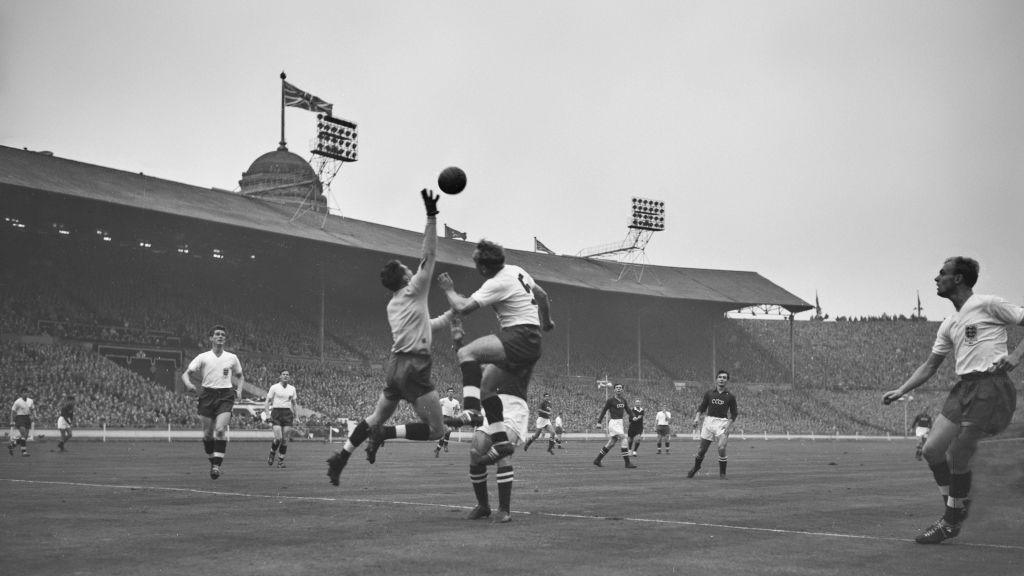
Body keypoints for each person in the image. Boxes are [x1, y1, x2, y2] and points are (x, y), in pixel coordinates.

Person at [883, 256, 1024, 545]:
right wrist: (901, 389)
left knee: (959, 452)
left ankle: (950, 522)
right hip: (963, 388)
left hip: (991, 385)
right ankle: (957, 506)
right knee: (933, 450)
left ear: (958, 278)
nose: (937, 278)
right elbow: (930, 365)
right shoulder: (950, 323)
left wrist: (1015, 355)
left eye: (942, 273)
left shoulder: (987, 304)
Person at [326, 190, 457, 485]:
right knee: (437, 430)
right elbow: (430, 254)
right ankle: (385, 434)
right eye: (408, 269)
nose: (413, 269)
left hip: (395, 365)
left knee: (375, 415)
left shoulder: (394, 304)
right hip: (414, 366)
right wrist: (432, 217)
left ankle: (341, 457)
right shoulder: (414, 289)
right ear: (403, 277)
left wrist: (451, 316)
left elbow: (426, 325)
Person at [436, 239, 554, 523]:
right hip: (529, 338)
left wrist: (448, 289)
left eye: (477, 263)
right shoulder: (517, 270)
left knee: (467, 353)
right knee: (486, 384)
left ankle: (472, 411)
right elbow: (543, 294)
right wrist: (547, 321)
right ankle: (486, 497)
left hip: (521, 336)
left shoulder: (497, 281)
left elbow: (463, 307)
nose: (475, 267)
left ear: (484, 265)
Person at [181, 325, 245, 480]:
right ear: (211, 338)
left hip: (225, 395)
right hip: (207, 395)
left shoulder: (232, 357)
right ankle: (213, 461)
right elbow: (185, 374)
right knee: (208, 434)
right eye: (217, 334)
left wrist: (240, 390)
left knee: (221, 429)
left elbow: (240, 376)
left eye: (223, 334)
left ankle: (216, 465)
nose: (220, 336)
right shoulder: (203, 357)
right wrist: (189, 384)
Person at [687, 370, 738, 479]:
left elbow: (734, 413)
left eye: (724, 377)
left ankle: (722, 474)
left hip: (722, 423)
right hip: (708, 422)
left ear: (727, 381)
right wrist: (697, 418)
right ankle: (696, 467)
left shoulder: (730, 396)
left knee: (721, 447)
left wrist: (728, 424)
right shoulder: (709, 393)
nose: (722, 379)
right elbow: (702, 407)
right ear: (716, 379)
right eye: (720, 377)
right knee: (702, 450)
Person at [593, 383, 637, 469]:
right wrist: (599, 422)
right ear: (614, 390)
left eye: (620, 388)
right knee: (624, 438)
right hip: (614, 423)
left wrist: (633, 416)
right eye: (617, 388)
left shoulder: (623, 400)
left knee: (611, 443)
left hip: (620, 423)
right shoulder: (610, 400)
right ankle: (627, 463)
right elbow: (604, 410)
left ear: (622, 390)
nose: (619, 389)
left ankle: (597, 460)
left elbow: (628, 410)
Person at [264, 369, 298, 468]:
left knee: (285, 439)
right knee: (278, 438)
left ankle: (280, 462)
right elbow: (267, 402)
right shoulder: (274, 387)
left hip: (287, 414)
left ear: (289, 377)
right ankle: (272, 453)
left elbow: (294, 404)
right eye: (283, 374)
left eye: (287, 374)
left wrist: (296, 416)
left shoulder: (292, 388)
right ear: (280, 376)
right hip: (276, 413)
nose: (286, 376)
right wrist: (267, 415)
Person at [9, 387, 35, 457]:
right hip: (19, 418)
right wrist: (11, 421)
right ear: (21, 393)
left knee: (25, 437)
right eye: (24, 392)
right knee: (23, 434)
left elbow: (32, 409)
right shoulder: (17, 402)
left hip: (27, 418)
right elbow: (13, 411)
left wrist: (34, 416)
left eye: (27, 392)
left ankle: (12, 445)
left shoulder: (30, 401)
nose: (26, 393)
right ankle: (24, 452)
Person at [435, 388, 461, 457]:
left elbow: (457, 409)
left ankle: (438, 449)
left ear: (453, 393)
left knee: (445, 434)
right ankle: (445, 445)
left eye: (452, 392)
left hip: (451, 418)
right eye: (449, 392)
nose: (450, 393)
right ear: (447, 393)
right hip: (444, 418)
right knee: (448, 430)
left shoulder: (456, 402)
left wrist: (456, 415)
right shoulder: (443, 400)